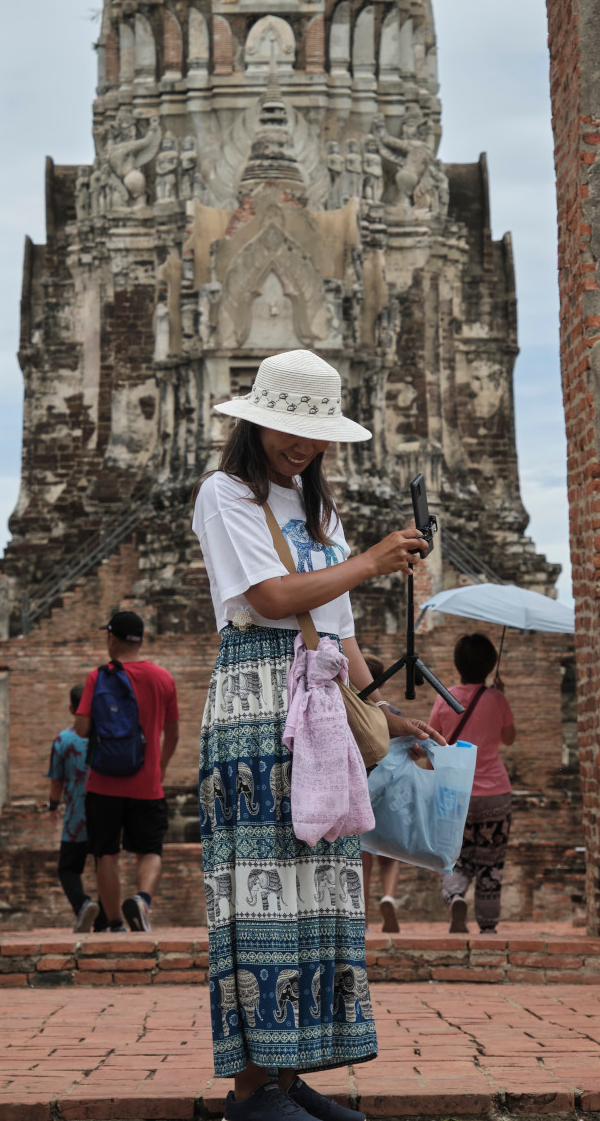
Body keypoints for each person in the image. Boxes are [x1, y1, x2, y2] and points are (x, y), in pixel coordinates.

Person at [192, 348, 443, 1121]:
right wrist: (370, 560)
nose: (301, 447)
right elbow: (271, 597)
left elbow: (337, 627)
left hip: (324, 695)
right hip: (257, 699)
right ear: (256, 424)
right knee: (259, 888)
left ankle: (287, 1073)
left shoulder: (319, 510)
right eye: (287, 431)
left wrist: (380, 711)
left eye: (314, 436)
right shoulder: (225, 494)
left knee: (317, 885)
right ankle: (250, 1090)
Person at [75, 609, 180, 934]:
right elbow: (173, 733)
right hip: (147, 784)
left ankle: (116, 925)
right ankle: (142, 900)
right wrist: (160, 768)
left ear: (112, 639)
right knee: (150, 850)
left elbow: (81, 729)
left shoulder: (97, 677)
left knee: (105, 854)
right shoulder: (163, 678)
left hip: (103, 783)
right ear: (141, 640)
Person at [427, 631, 516, 934]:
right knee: (491, 861)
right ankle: (488, 926)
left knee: (456, 855)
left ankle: (455, 896)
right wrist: (499, 696)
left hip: (455, 793)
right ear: (490, 664)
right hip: (495, 794)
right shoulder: (497, 698)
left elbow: (434, 740)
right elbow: (509, 739)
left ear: (458, 663)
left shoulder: (445, 697)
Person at [47, 682, 100, 933]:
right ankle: (106, 920)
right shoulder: (106, 738)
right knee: (105, 866)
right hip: (105, 814)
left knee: (67, 868)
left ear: (71, 709)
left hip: (76, 817)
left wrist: (53, 805)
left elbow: (56, 780)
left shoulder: (63, 740)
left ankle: (82, 905)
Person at [358, 655, 402, 934]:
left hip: (361, 792)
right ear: (382, 682)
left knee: (363, 859)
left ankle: (361, 916)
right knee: (390, 854)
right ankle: (388, 897)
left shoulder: (350, 711)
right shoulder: (393, 714)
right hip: (388, 793)